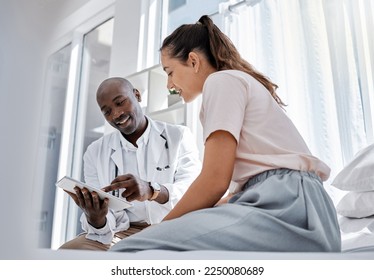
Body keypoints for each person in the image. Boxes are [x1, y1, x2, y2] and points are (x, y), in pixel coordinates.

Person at [109, 15, 341, 253]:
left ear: (193, 61)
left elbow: (214, 181)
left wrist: (160, 228)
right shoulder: (235, 82)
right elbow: (227, 188)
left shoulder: (221, 81)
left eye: (170, 71)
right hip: (302, 209)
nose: (169, 84)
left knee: (129, 249)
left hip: (289, 206)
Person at [59, 77, 201, 250]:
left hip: (170, 225)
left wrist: (152, 190)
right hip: (125, 232)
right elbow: (105, 226)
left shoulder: (178, 136)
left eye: (120, 102)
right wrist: (96, 219)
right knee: (69, 253)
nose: (116, 114)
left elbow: (192, 191)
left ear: (137, 95)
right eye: (107, 111)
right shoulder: (95, 152)